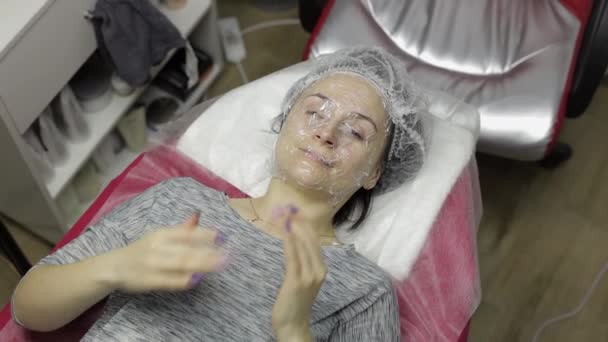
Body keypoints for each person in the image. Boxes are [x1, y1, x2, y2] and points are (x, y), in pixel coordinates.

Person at [11, 47, 426, 341]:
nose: (326, 132)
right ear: (283, 122)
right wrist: (115, 267)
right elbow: (29, 307)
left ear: (375, 172)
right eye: (315, 111)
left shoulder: (364, 291)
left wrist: (294, 330)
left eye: (356, 131)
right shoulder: (180, 201)